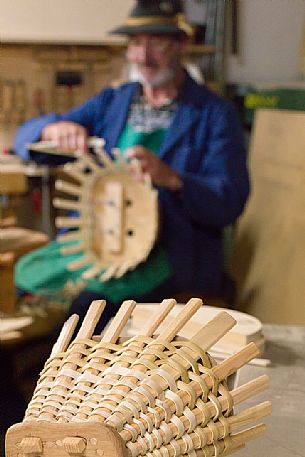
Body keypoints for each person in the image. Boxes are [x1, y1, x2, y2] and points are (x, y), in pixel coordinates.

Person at [13, 0, 250, 333]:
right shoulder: (115, 101)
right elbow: (28, 138)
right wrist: (52, 129)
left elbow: (230, 200)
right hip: (103, 241)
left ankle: (75, 380)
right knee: (21, 277)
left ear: (181, 44)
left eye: (156, 41)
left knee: (84, 314)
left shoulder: (214, 114)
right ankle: (33, 378)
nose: (143, 55)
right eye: (136, 43)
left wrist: (171, 178)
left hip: (170, 252)